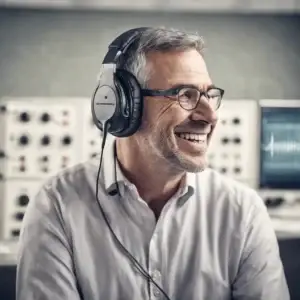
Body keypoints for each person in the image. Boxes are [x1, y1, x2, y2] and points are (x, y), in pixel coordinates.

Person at [16, 27, 290, 300]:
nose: (209, 115)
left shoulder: (243, 212)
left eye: (210, 94)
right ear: (123, 106)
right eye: (185, 94)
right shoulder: (57, 205)